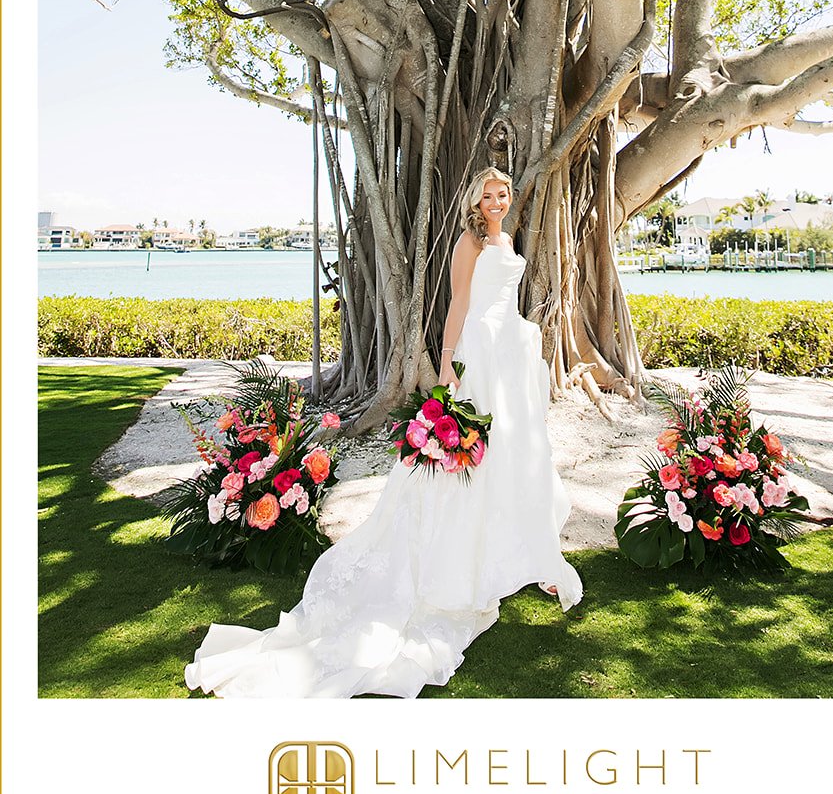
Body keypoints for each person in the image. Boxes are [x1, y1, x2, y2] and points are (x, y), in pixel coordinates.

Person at [184, 168, 583, 698]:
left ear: (511, 198)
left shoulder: (506, 238)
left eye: (502, 193)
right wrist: (446, 367)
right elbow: (458, 304)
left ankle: (523, 553)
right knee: (470, 459)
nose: (494, 201)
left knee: (515, 453)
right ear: (474, 198)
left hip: (510, 352)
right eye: (486, 194)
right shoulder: (467, 241)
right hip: (480, 355)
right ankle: (461, 562)